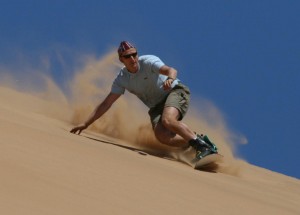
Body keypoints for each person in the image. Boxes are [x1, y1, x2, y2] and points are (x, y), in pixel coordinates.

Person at [70, 41, 218, 160]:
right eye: (128, 56)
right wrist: (86, 123)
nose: (133, 59)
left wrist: (170, 79)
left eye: (134, 54)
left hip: (174, 91)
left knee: (168, 120)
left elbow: (171, 70)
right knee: (162, 137)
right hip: (156, 107)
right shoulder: (122, 80)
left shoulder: (148, 61)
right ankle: (198, 141)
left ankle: (204, 148)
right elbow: (106, 103)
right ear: (121, 59)